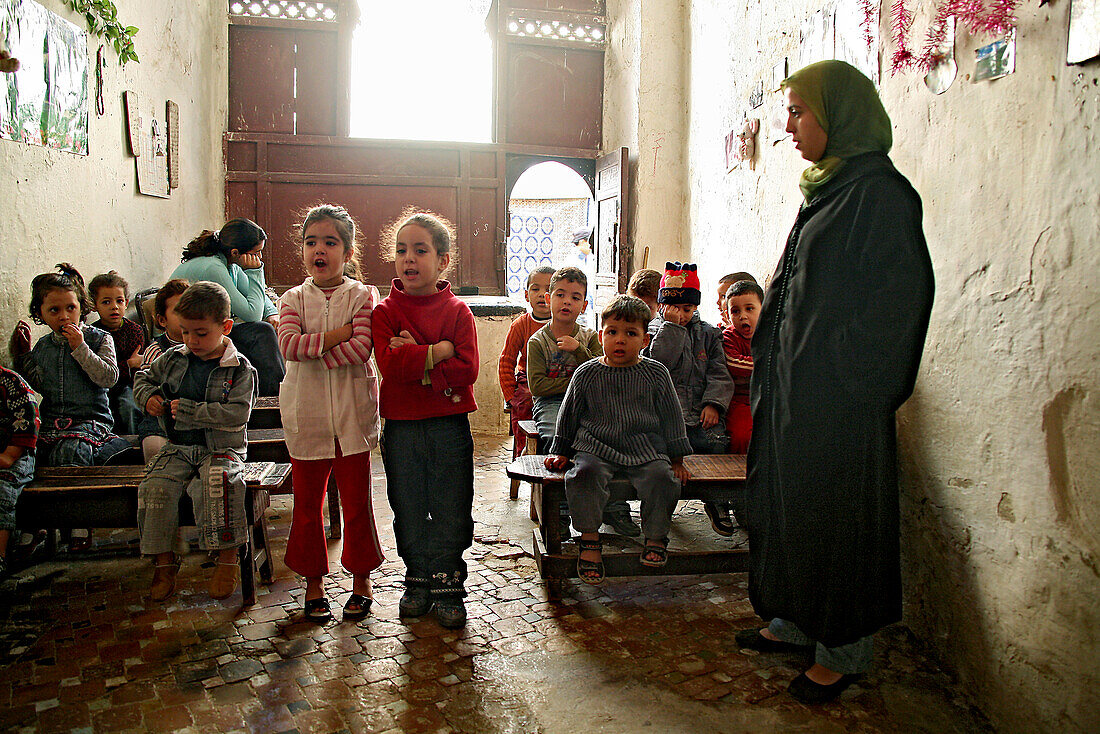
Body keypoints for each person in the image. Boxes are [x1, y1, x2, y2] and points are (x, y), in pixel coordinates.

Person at [739, 60, 934, 704]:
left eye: (799, 112)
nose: (788, 126)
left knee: (839, 521)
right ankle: (795, 620)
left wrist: (855, 391)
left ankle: (844, 651)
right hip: (798, 392)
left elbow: (898, 308)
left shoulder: (879, 194)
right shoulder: (830, 188)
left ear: (839, 116)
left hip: (839, 402)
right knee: (793, 509)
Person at [277, 204, 384, 623]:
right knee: (308, 505)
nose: (319, 250)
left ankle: (361, 580)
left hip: (351, 418)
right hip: (307, 416)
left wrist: (314, 344)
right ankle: (314, 583)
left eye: (330, 242)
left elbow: (362, 349)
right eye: (311, 242)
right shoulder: (291, 298)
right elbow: (288, 346)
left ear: (348, 249)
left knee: (357, 503)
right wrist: (337, 336)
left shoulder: (363, 296)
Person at [372, 210, 479, 630]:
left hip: (449, 424)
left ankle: (449, 578)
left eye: (420, 250)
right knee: (408, 502)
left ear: (443, 260)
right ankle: (416, 576)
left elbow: (467, 369)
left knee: (451, 500)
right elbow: (389, 366)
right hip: (401, 424)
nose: (408, 259)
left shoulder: (457, 311)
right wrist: (438, 352)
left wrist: (414, 355)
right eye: (401, 250)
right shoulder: (385, 312)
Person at [544, 295, 691, 583]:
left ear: (645, 340)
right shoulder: (587, 373)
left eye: (630, 333)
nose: (620, 340)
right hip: (595, 447)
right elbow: (569, 413)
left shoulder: (656, 373)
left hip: (645, 448)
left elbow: (672, 417)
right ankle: (589, 538)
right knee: (583, 474)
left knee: (662, 479)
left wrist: (677, 459)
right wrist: (560, 450)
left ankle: (656, 537)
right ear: (601, 335)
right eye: (612, 332)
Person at [134, 282, 258, 602]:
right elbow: (143, 378)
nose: (192, 341)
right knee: (154, 487)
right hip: (179, 446)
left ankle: (228, 559)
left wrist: (191, 410)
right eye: (186, 332)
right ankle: (164, 563)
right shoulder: (175, 358)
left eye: (201, 333)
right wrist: (148, 396)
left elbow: (237, 415)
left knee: (220, 482)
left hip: (221, 447)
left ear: (225, 327)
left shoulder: (240, 369)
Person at [9, 264, 132, 551]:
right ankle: (36, 523)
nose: (64, 316)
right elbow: (40, 384)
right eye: (54, 311)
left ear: (81, 308)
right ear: (39, 313)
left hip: (90, 420)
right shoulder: (43, 347)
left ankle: (78, 520)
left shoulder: (99, 338)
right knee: (31, 454)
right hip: (52, 422)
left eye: (70, 308)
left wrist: (80, 348)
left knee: (72, 452)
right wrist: (23, 355)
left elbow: (108, 377)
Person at [642, 262, 735, 536]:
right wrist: (671, 328)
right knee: (662, 464)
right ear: (661, 307)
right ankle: (660, 510)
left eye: (687, 309)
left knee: (717, 446)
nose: (681, 315)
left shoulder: (708, 334)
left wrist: (713, 403)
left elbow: (719, 371)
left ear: (695, 307)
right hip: (665, 419)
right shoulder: (652, 331)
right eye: (674, 309)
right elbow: (657, 365)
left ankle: (717, 502)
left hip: (700, 414)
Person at [170, 218, 284, 396]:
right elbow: (251, 314)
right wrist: (256, 271)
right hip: (191, 332)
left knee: (266, 329)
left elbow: (255, 294)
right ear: (236, 252)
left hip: (208, 328)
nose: (260, 258)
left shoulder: (230, 264)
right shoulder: (213, 268)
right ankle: (273, 397)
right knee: (261, 332)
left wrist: (272, 312)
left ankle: (271, 394)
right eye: (257, 252)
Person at [498, 266, 553, 457]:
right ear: (526, 295)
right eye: (535, 289)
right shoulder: (521, 325)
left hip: (556, 379)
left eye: (549, 289)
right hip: (527, 380)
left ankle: (555, 453)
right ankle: (524, 452)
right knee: (525, 402)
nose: (542, 294)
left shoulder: (564, 324)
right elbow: (507, 361)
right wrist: (510, 396)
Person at [135, 279, 189, 463]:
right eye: (178, 311)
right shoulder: (157, 350)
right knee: (154, 449)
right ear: (162, 320)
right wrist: (150, 398)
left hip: (197, 417)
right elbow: (144, 381)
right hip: (162, 419)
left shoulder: (209, 346)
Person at [89, 271, 146, 433]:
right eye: (106, 302)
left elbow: (136, 371)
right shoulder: (93, 334)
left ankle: (133, 442)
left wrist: (132, 365)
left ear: (126, 303)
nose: (114, 306)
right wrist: (127, 363)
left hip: (126, 385)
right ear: (95, 305)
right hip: (99, 387)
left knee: (128, 406)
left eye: (119, 301)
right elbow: (95, 368)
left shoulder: (134, 331)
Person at [0, 364, 39, 577]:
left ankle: (0, 556)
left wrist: (7, 457)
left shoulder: (12, 384)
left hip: (15, 455)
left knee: (3, 487)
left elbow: (9, 457)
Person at [722, 280, 763, 454]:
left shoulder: (771, 333)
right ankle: (740, 479)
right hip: (740, 401)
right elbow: (734, 364)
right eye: (735, 311)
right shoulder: (728, 336)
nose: (743, 316)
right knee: (740, 438)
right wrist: (765, 363)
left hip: (768, 398)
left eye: (750, 308)